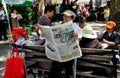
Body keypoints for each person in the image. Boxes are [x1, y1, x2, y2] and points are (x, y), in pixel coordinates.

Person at [48, 10, 82, 78]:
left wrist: (76, 38)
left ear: (73, 18)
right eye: (64, 17)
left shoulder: (77, 28)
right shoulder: (59, 26)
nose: (65, 18)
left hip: (70, 54)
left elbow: (78, 42)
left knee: (69, 73)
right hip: (60, 53)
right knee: (54, 72)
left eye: (67, 17)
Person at [35, 5, 55, 78]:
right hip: (42, 40)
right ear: (48, 12)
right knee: (41, 56)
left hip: (47, 40)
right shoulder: (42, 18)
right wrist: (40, 33)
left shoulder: (49, 20)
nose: (52, 15)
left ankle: (46, 72)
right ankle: (40, 75)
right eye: (52, 13)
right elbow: (37, 28)